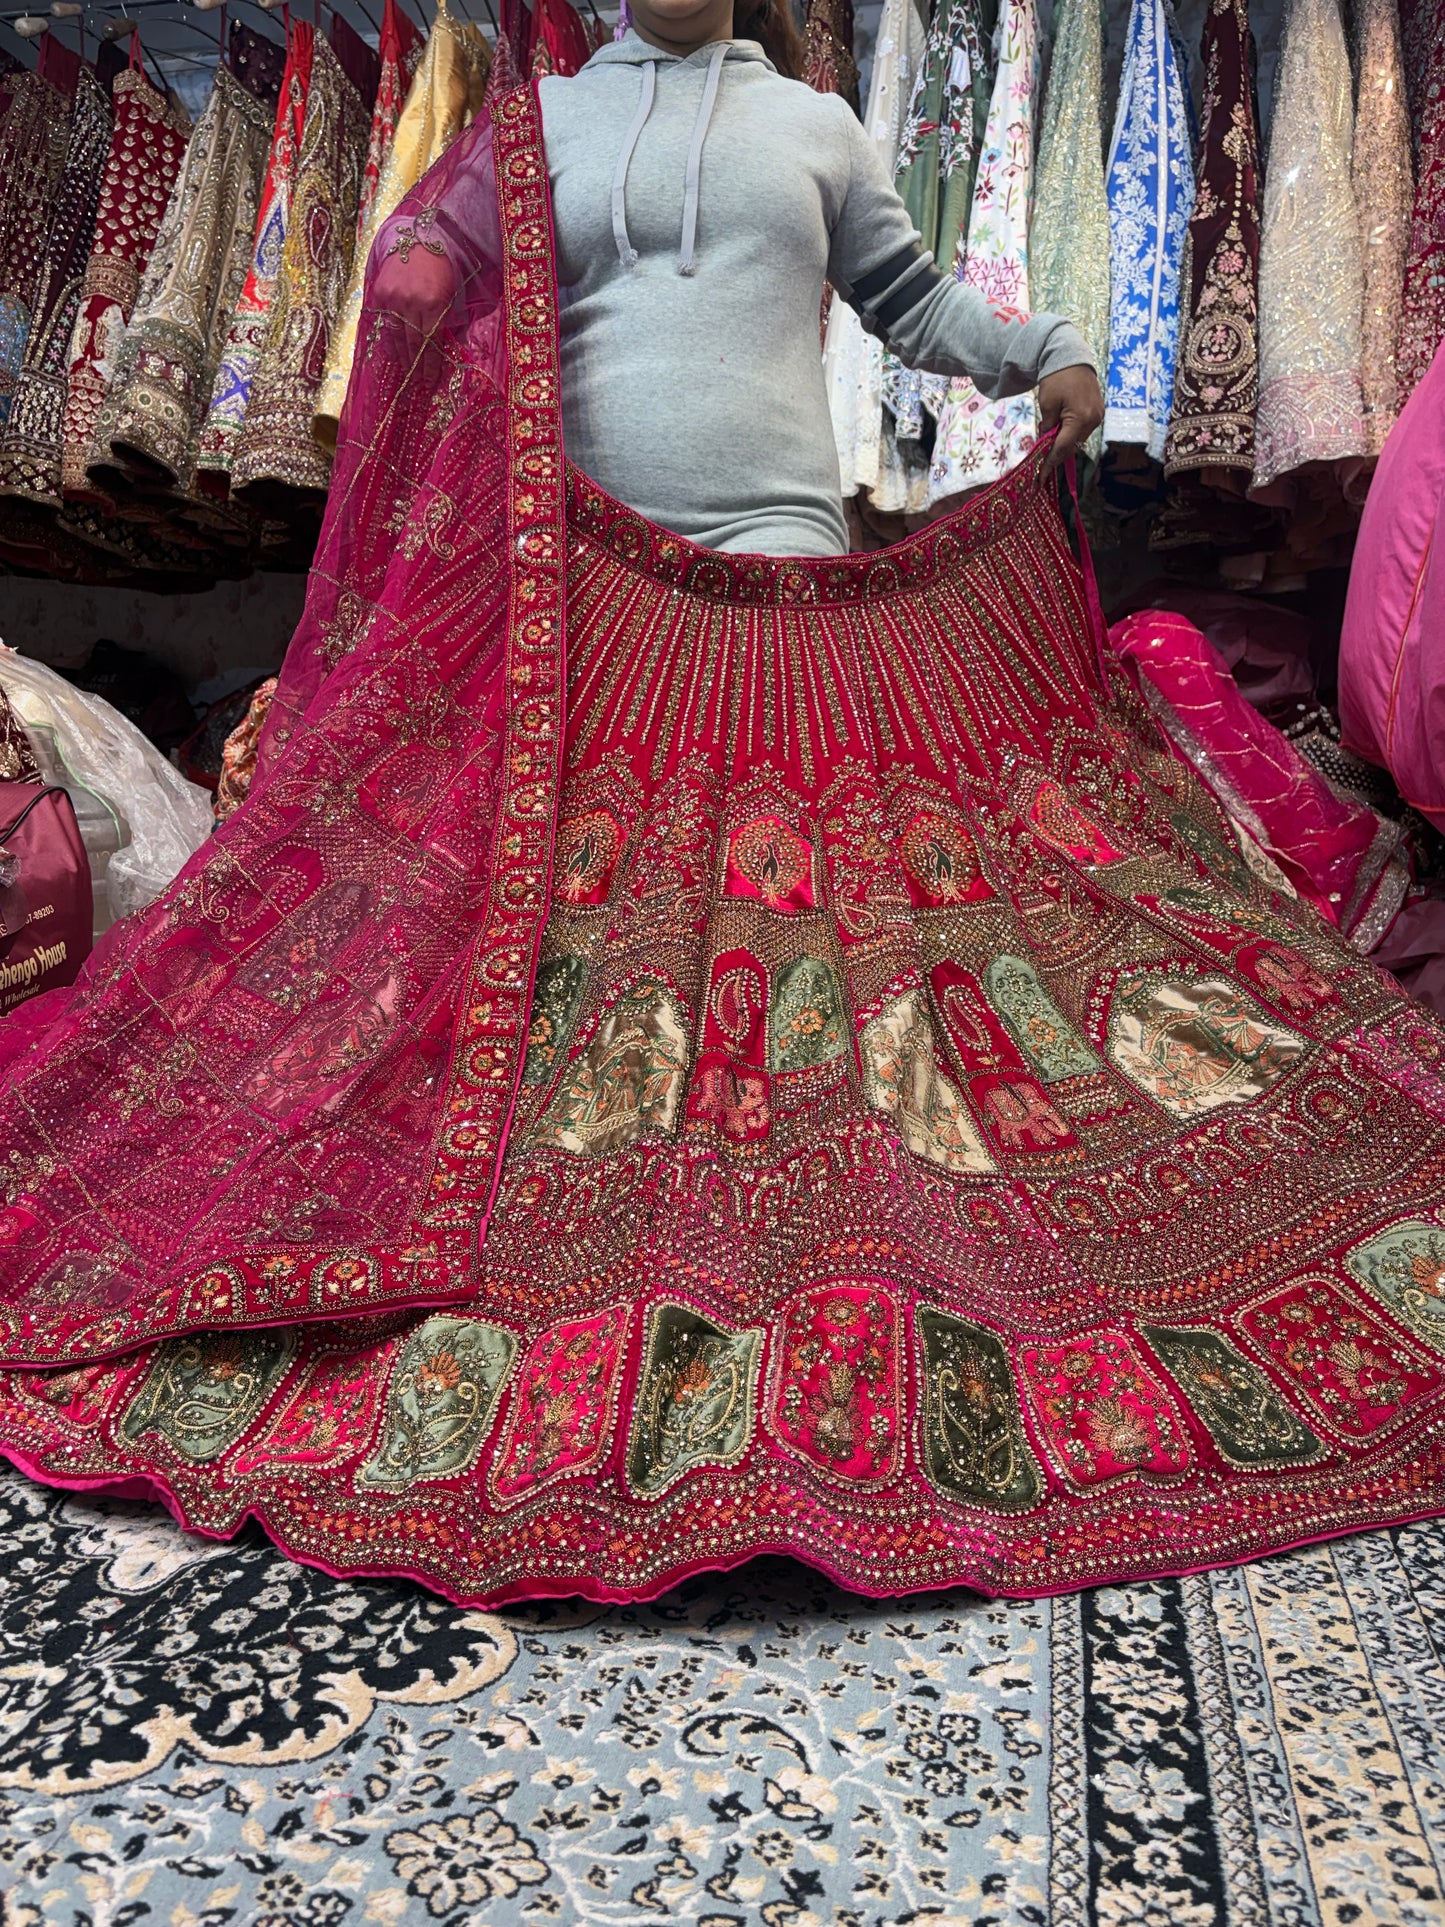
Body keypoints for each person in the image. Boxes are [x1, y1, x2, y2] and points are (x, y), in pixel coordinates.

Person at [0, 0, 1442, 1612]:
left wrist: (1040, 358)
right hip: (582, 599)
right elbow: (419, 298)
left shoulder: (812, 130)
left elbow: (910, 300)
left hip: (788, 576)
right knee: (590, 946)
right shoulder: (527, 133)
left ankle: (823, 1233)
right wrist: (425, 297)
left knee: (821, 940)